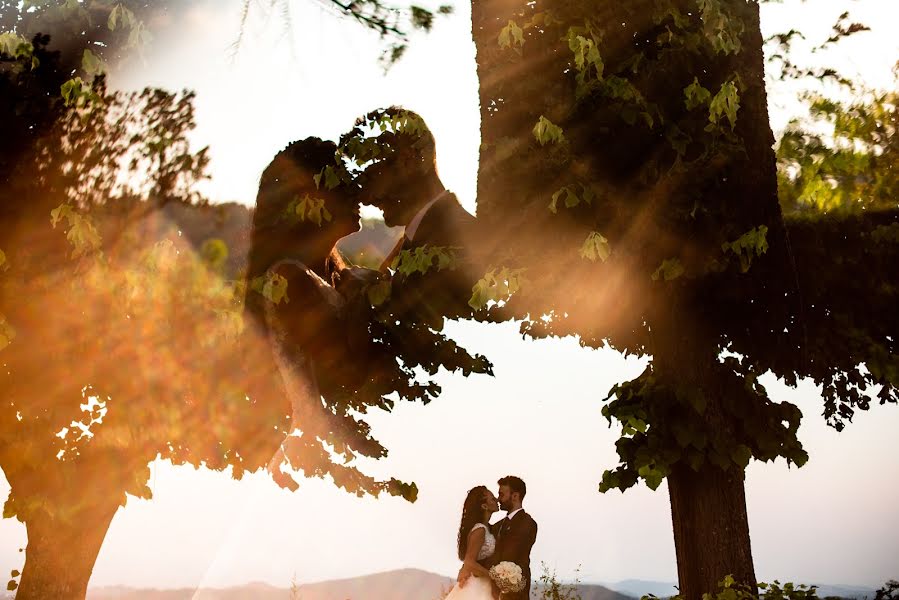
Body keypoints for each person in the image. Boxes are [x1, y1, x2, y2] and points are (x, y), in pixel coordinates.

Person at [444, 486, 500, 600]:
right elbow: (469, 562)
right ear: (484, 506)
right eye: (493, 498)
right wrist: (493, 577)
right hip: (478, 586)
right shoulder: (480, 530)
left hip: (481, 583)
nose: (497, 500)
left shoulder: (487, 528)